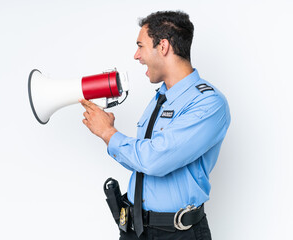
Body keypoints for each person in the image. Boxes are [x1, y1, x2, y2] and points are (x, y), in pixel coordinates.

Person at [79, 10, 231, 240]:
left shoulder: (208, 103)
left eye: (140, 45)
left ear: (163, 47)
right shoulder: (160, 97)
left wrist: (108, 133)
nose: (136, 55)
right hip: (135, 227)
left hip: (176, 233)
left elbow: (154, 160)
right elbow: (144, 162)